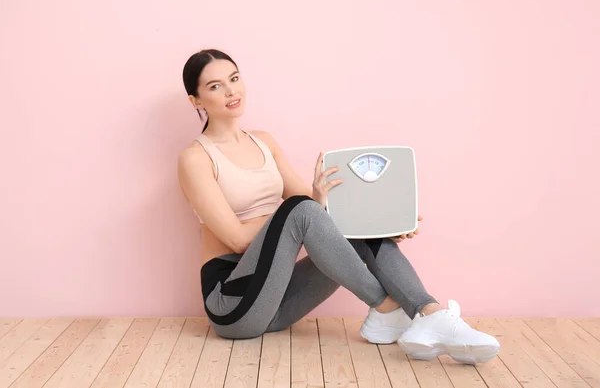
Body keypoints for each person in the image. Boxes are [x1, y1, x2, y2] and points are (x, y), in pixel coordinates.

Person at [177, 49, 500, 365]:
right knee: (303, 209)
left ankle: (431, 314)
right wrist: (306, 211)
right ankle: (386, 308)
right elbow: (238, 240)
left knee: (351, 226)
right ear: (196, 100)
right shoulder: (195, 158)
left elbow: (321, 215)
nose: (231, 90)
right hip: (233, 304)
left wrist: (387, 223)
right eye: (215, 86)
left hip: (279, 302)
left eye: (234, 78)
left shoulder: (264, 141)